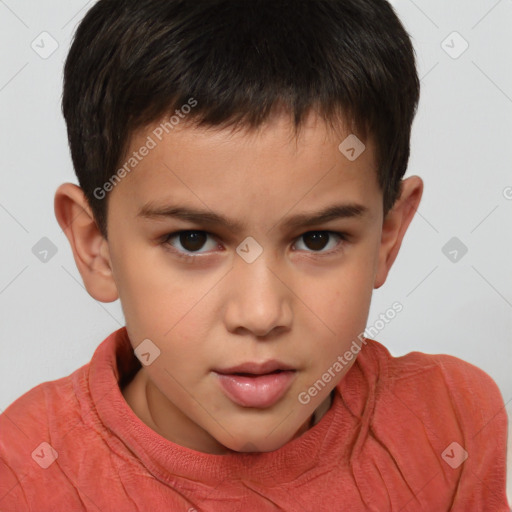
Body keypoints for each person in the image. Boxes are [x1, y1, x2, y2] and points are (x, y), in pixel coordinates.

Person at [0, 0, 509, 510]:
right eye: (192, 240)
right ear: (97, 247)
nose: (261, 314)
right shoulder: (25, 472)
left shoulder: (449, 423)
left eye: (317, 239)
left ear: (387, 236)